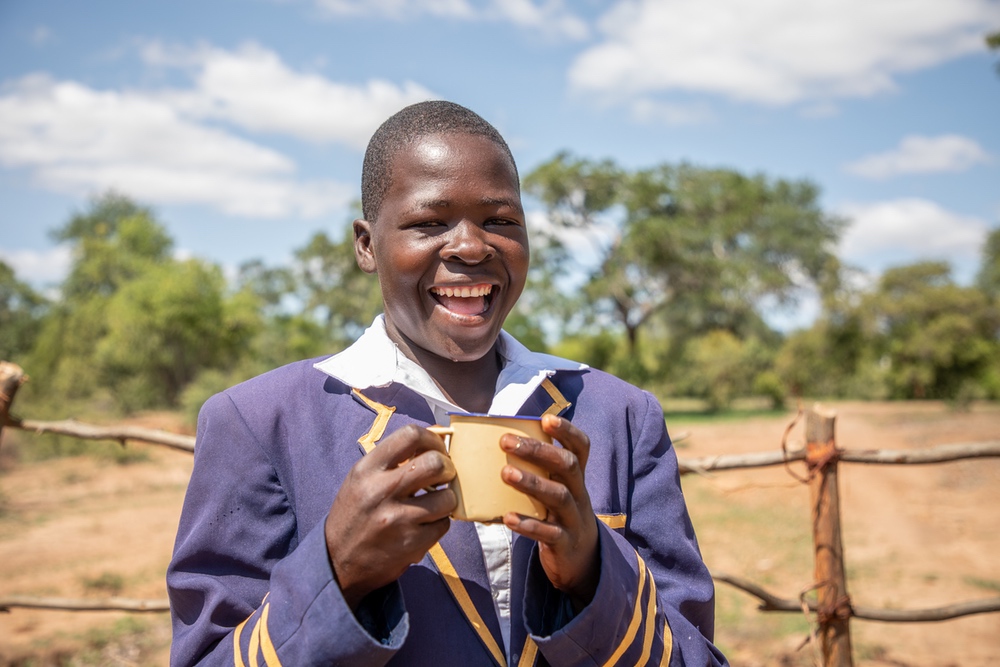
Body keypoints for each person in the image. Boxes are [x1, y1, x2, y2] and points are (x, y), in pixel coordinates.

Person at [167, 101, 727, 666]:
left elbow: (695, 653)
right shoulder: (261, 423)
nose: (470, 246)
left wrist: (592, 573)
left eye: (501, 221)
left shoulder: (617, 416)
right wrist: (337, 571)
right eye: (429, 223)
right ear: (367, 244)